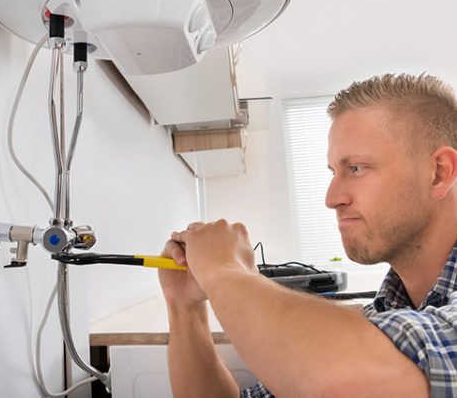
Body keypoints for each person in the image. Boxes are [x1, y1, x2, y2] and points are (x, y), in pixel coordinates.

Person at [159, 73, 457, 398]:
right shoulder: (388, 312)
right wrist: (185, 309)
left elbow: (350, 384)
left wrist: (223, 270)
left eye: (356, 168)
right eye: (334, 172)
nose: (332, 198)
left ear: (439, 172)